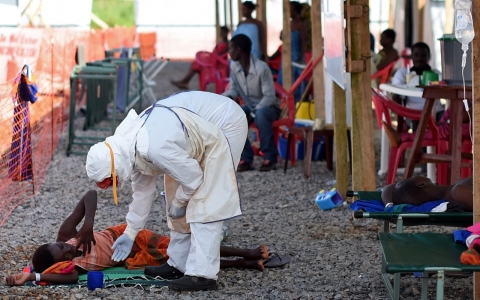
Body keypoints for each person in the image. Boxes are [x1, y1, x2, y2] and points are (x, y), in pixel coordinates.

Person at [83, 91, 248, 291]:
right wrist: (131, 232)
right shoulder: (129, 147)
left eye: (110, 180)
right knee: (174, 193)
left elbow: (194, 179)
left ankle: (202, 274)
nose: (113, 184)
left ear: (114, 167)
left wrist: (181, 202)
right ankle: (178, 263)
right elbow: (142, 193)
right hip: (194, 133)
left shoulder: (155, 147)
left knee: (204, 200)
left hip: (225, 123)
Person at [5, 190, 270, 286]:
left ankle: (248, 252)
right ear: (60, 263)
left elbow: (90, 195)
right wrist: (32, 276)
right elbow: (70, 277)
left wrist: (87, 226)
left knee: (184, 244)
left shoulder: (67, 235)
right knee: (183, 262)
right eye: (65, 253)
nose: (69, 249)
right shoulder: (69, 268)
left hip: (125, 236)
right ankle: (245, 264)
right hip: (131, 260)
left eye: (64, 246)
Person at [222, 34, 280, 172]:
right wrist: (226, 97)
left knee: (260, 114)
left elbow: (270, 97)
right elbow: (234, 88)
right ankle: (246, 158)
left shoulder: (261, 68)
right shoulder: (235, 66)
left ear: (239, 50)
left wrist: (253, 113)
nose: (229, 53)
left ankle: (270, 157)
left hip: (269, 107)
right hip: (251, 107)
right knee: (234, 116)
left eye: (231, 49)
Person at [391, 42, 444, 129]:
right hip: (412, 112)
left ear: (429, 57)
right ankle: (420, 141)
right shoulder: (403, 73)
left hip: (436, 111)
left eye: (423, 55)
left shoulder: (436, 74)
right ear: (411, 56)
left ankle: (438, 142)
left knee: (448, 122)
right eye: (416, 55)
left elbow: (444, 91)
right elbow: (396, 94)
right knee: (418, 127)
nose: (420, 58)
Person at [381, 176, 473, 211]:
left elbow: (389, 187)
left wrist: (389, 205)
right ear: (421, 184)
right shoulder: (459, 192)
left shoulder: (455, 189)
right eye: (411, 177)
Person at [277, 1, 308, 100]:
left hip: (296, 56)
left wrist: (301, 57)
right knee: (284, 81)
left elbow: (304, 42)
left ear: (295, 11)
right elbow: (282, 38)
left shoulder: (300, 24)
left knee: (296, 82)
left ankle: (296, 103)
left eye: (290, 9)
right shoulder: (288, 23)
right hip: (286, 56)